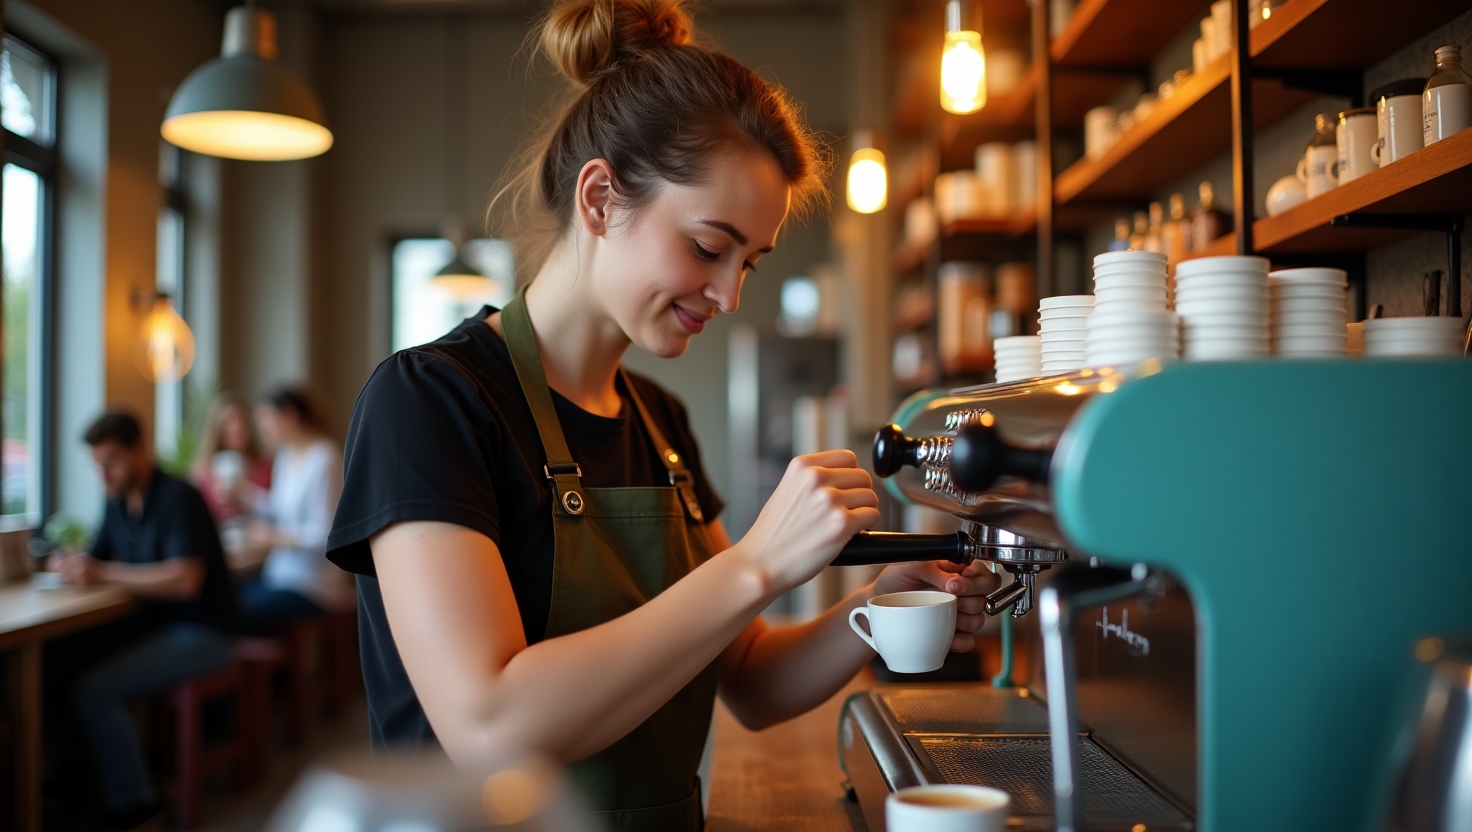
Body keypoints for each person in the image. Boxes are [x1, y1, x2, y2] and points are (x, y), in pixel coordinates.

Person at [325, 1, 998, 828]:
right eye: (709, 247)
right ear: (601, 198)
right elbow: (490, 726)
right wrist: (756, 564)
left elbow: (747, 675)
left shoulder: (659, 422)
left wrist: (878, 609)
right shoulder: (428, 402)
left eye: (749, 261)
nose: (729, 294)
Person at [51, 411, 237, 831]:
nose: (105, 475)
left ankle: (139, 808)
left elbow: (186, 580)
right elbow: (99, 558)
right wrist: (72, 564)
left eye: (111, 462)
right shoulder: (116, 500)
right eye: (97, 466)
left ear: (140, 450)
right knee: (61, 662)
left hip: (205, 632)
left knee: (94, 690)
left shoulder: (179, 496)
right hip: (156, 629)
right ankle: (79, 785)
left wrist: (100, 573)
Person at [237, 386, 345, 633]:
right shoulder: (285, 457)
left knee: (236, 613)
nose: (263, 432)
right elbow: (277, 509)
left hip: (313, 585)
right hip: (279, 575)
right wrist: (242, 494)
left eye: (267, 423)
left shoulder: (325, 459)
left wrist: (272, 538)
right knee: (223, 601)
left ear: (289, 416)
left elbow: (325, 536)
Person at [190, 392, 272, 528]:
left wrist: (246, 496)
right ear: (218, 428)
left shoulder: (266, 468)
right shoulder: (204, 473)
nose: (237, 427)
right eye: (230, 421)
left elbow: (280, 513)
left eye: (242, 420)